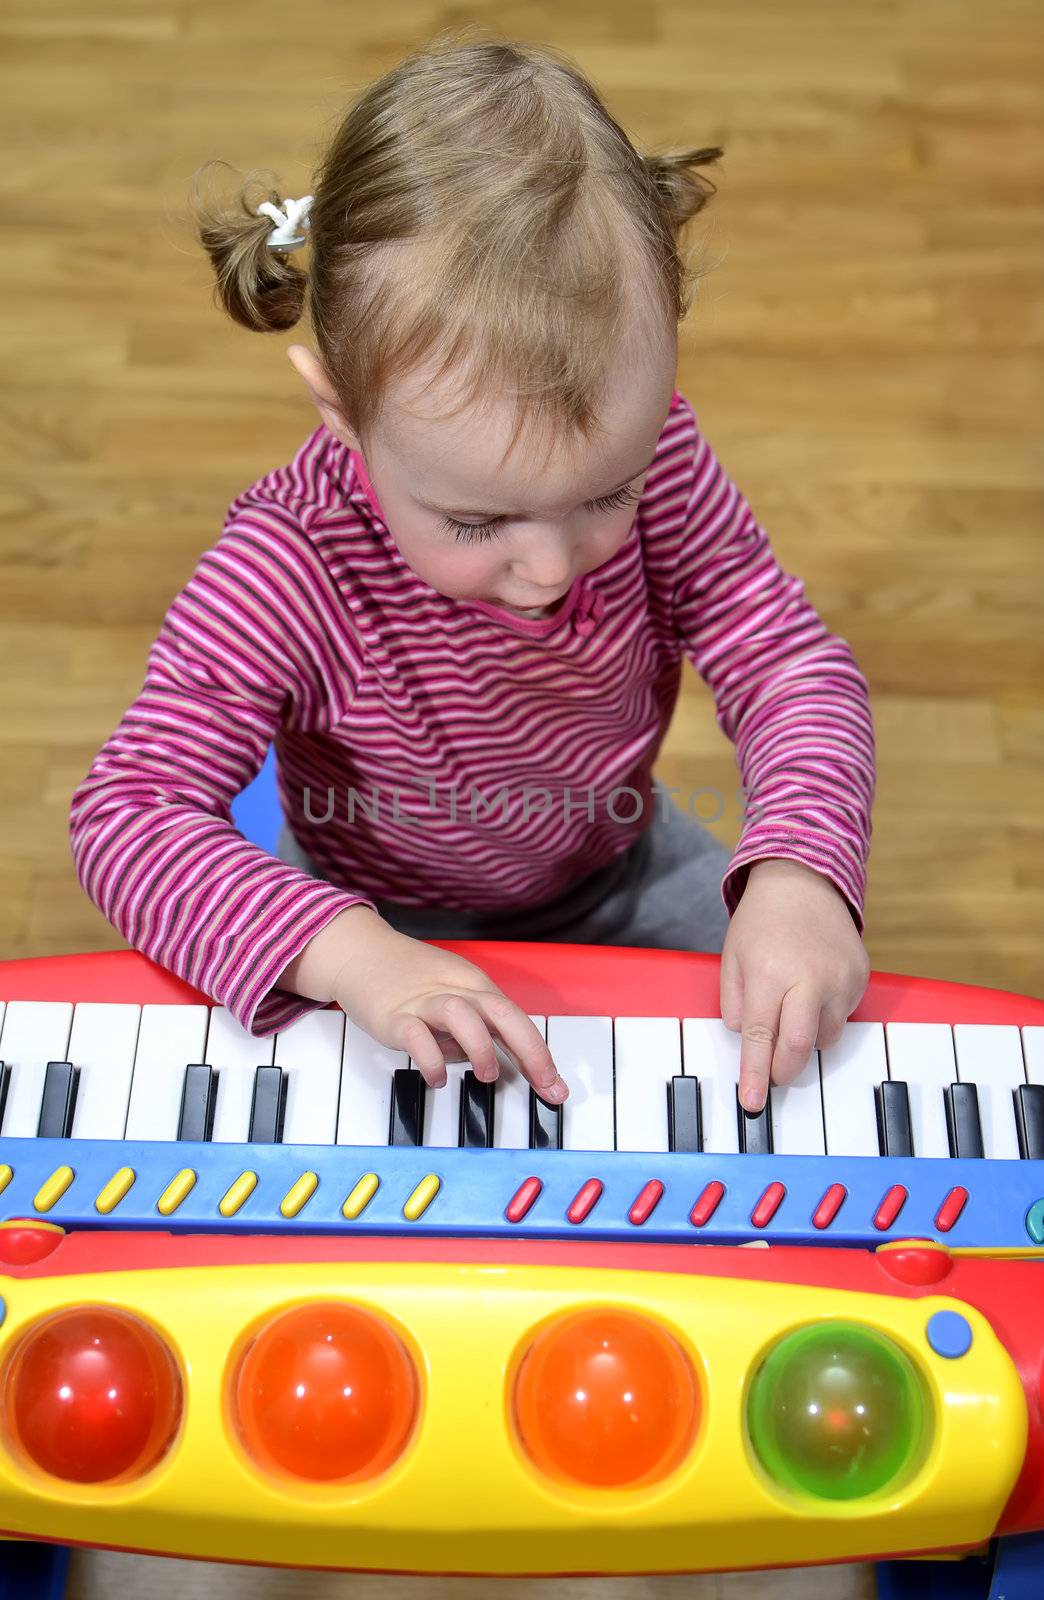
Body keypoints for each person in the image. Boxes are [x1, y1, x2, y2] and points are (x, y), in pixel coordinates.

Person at [69, 30, 874, 1118]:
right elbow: (130, 814)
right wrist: (347, 952)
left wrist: (799, 874)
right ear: (340, 411)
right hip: (370, 918)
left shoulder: (669, 461)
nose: (549, 568)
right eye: (477, 516)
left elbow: (788, 665)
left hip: (619, 877)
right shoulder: (285, 563)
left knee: (795, 1065)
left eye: (603, 496)